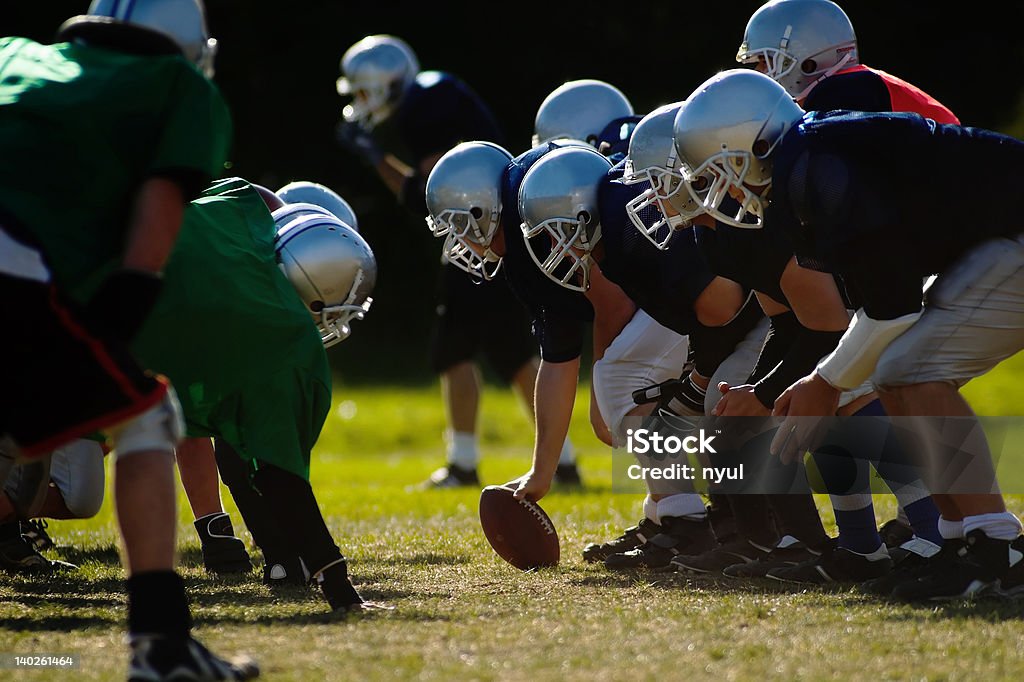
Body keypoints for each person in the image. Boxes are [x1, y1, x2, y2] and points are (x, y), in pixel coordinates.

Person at [671, 68, 1024, 600]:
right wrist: (828, 379)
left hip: (1013, 233)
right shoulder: (805, 169)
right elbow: (881, 304)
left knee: (913, 369)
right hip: (994, 240)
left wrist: (826, 382)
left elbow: (893, 307)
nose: (717, 190)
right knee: (893, 373)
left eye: (719, 171)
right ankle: (963, 540)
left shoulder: (817, 167)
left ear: (759, 142)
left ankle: (999, 546)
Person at [0, 1, 259, 679]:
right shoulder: (180, 90)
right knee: (148, 416)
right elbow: (158, 210)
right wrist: (115, 321)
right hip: (16, 270)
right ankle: (161, 645)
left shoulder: (12, 53)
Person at [128, 176, 386, 610]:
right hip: (93, 303)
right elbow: (273, 467)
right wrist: (339, 585)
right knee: (75, 483)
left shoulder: (239, 200)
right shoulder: (267, 328)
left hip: (70, 260)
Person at [335, 35, 577, 487]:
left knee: (454, 349)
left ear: (390, 82)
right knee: (511, 351)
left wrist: (375, 158)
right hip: (491, 233)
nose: (363, 104)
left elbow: (423, 196)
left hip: (479, 238)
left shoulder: (428, 100)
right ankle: (562, 460)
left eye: (366, 92)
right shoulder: (431, 95)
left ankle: (466, 462)